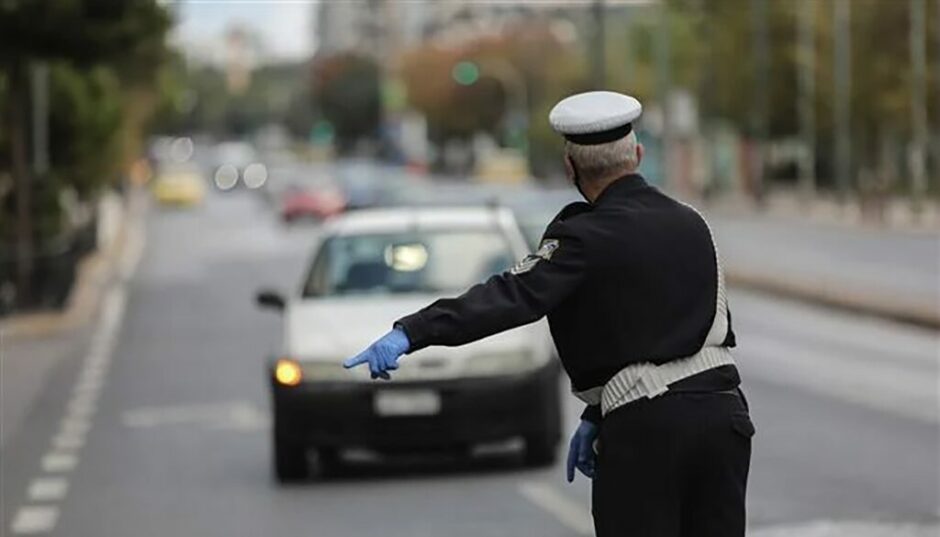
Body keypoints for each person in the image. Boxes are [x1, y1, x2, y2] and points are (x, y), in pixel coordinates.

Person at [343, 91, 754, 537]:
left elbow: (511, 296)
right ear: (637, 154)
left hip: (648, 430)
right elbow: (669, 326)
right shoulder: (692, 222)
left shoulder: (582, 236)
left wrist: (411, 331)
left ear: (570, 167)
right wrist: (597, 413)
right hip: (724, 418)